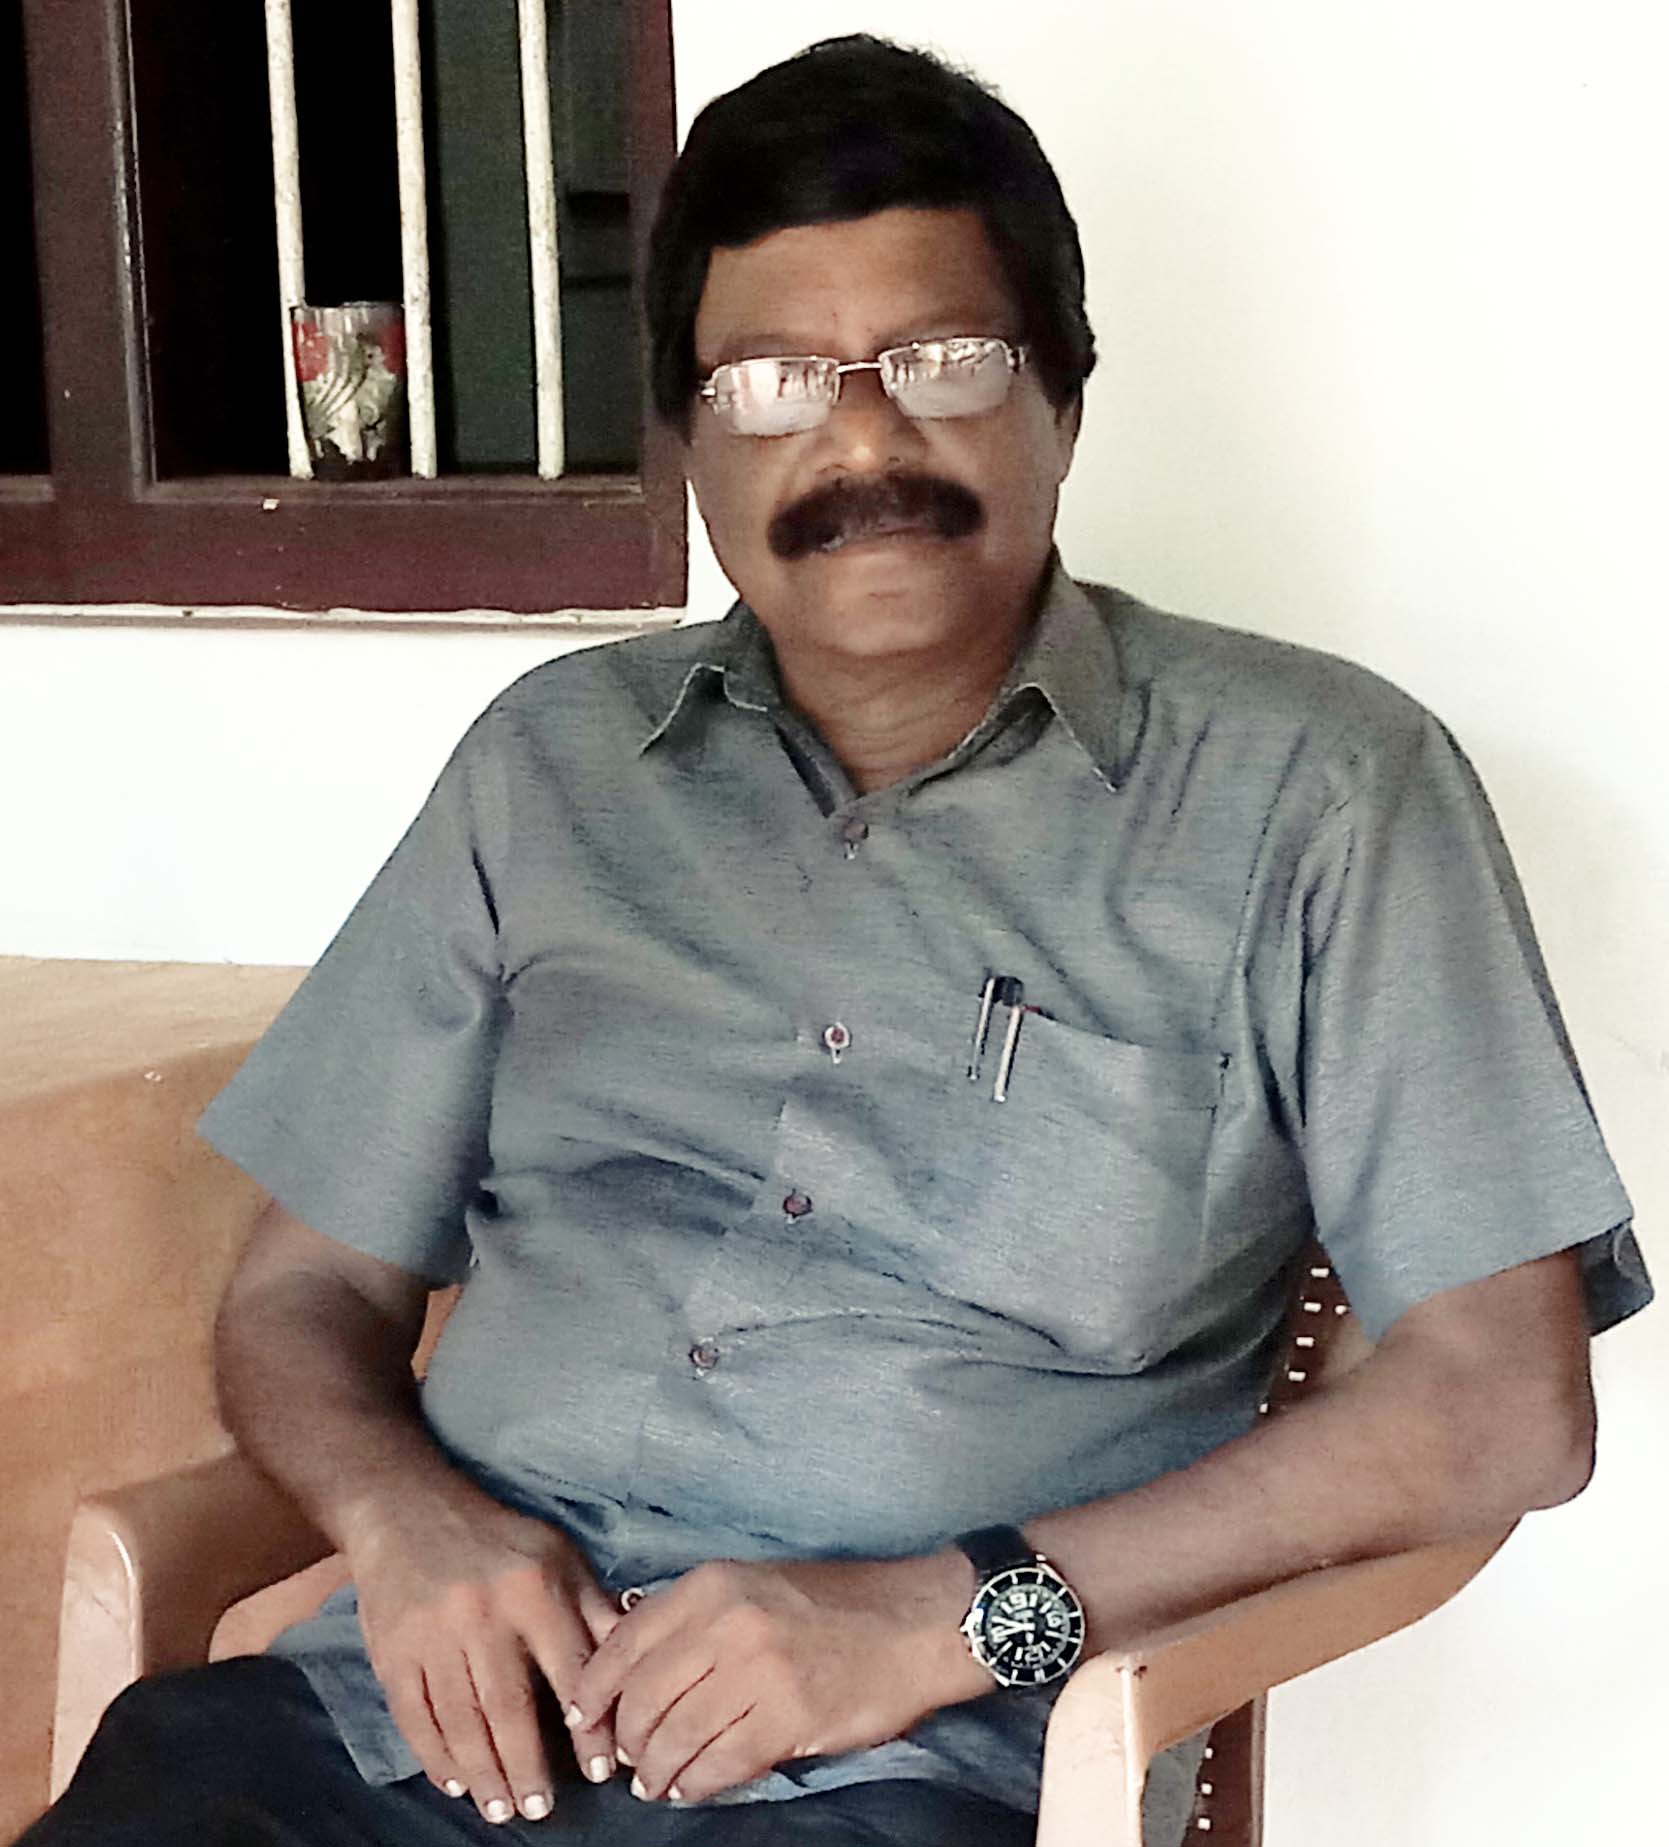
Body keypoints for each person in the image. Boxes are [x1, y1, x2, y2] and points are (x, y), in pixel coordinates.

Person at [22, 33, 1650, 1847]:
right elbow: (303, 1296)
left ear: (1062, 401)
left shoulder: (1318, 795)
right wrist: (409, 1527)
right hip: (406, 1736)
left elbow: (1501, 1405)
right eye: (774, 381)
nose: (862, 439)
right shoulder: (547, 771)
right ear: (689, 443)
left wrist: (944, 1616)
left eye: (942, 363)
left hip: (909, 1772)